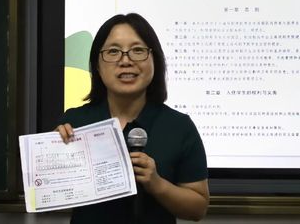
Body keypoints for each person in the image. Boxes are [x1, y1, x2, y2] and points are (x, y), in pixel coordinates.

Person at [56, 13, 209, 223]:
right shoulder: (75, 122)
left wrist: (157, 184)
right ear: (97, 65)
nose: (126, 61)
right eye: (113, 51)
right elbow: (53, 193)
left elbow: (198, 208)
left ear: (155, 61)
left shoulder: (179, 126)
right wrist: (56, 152)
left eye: (138, 50)